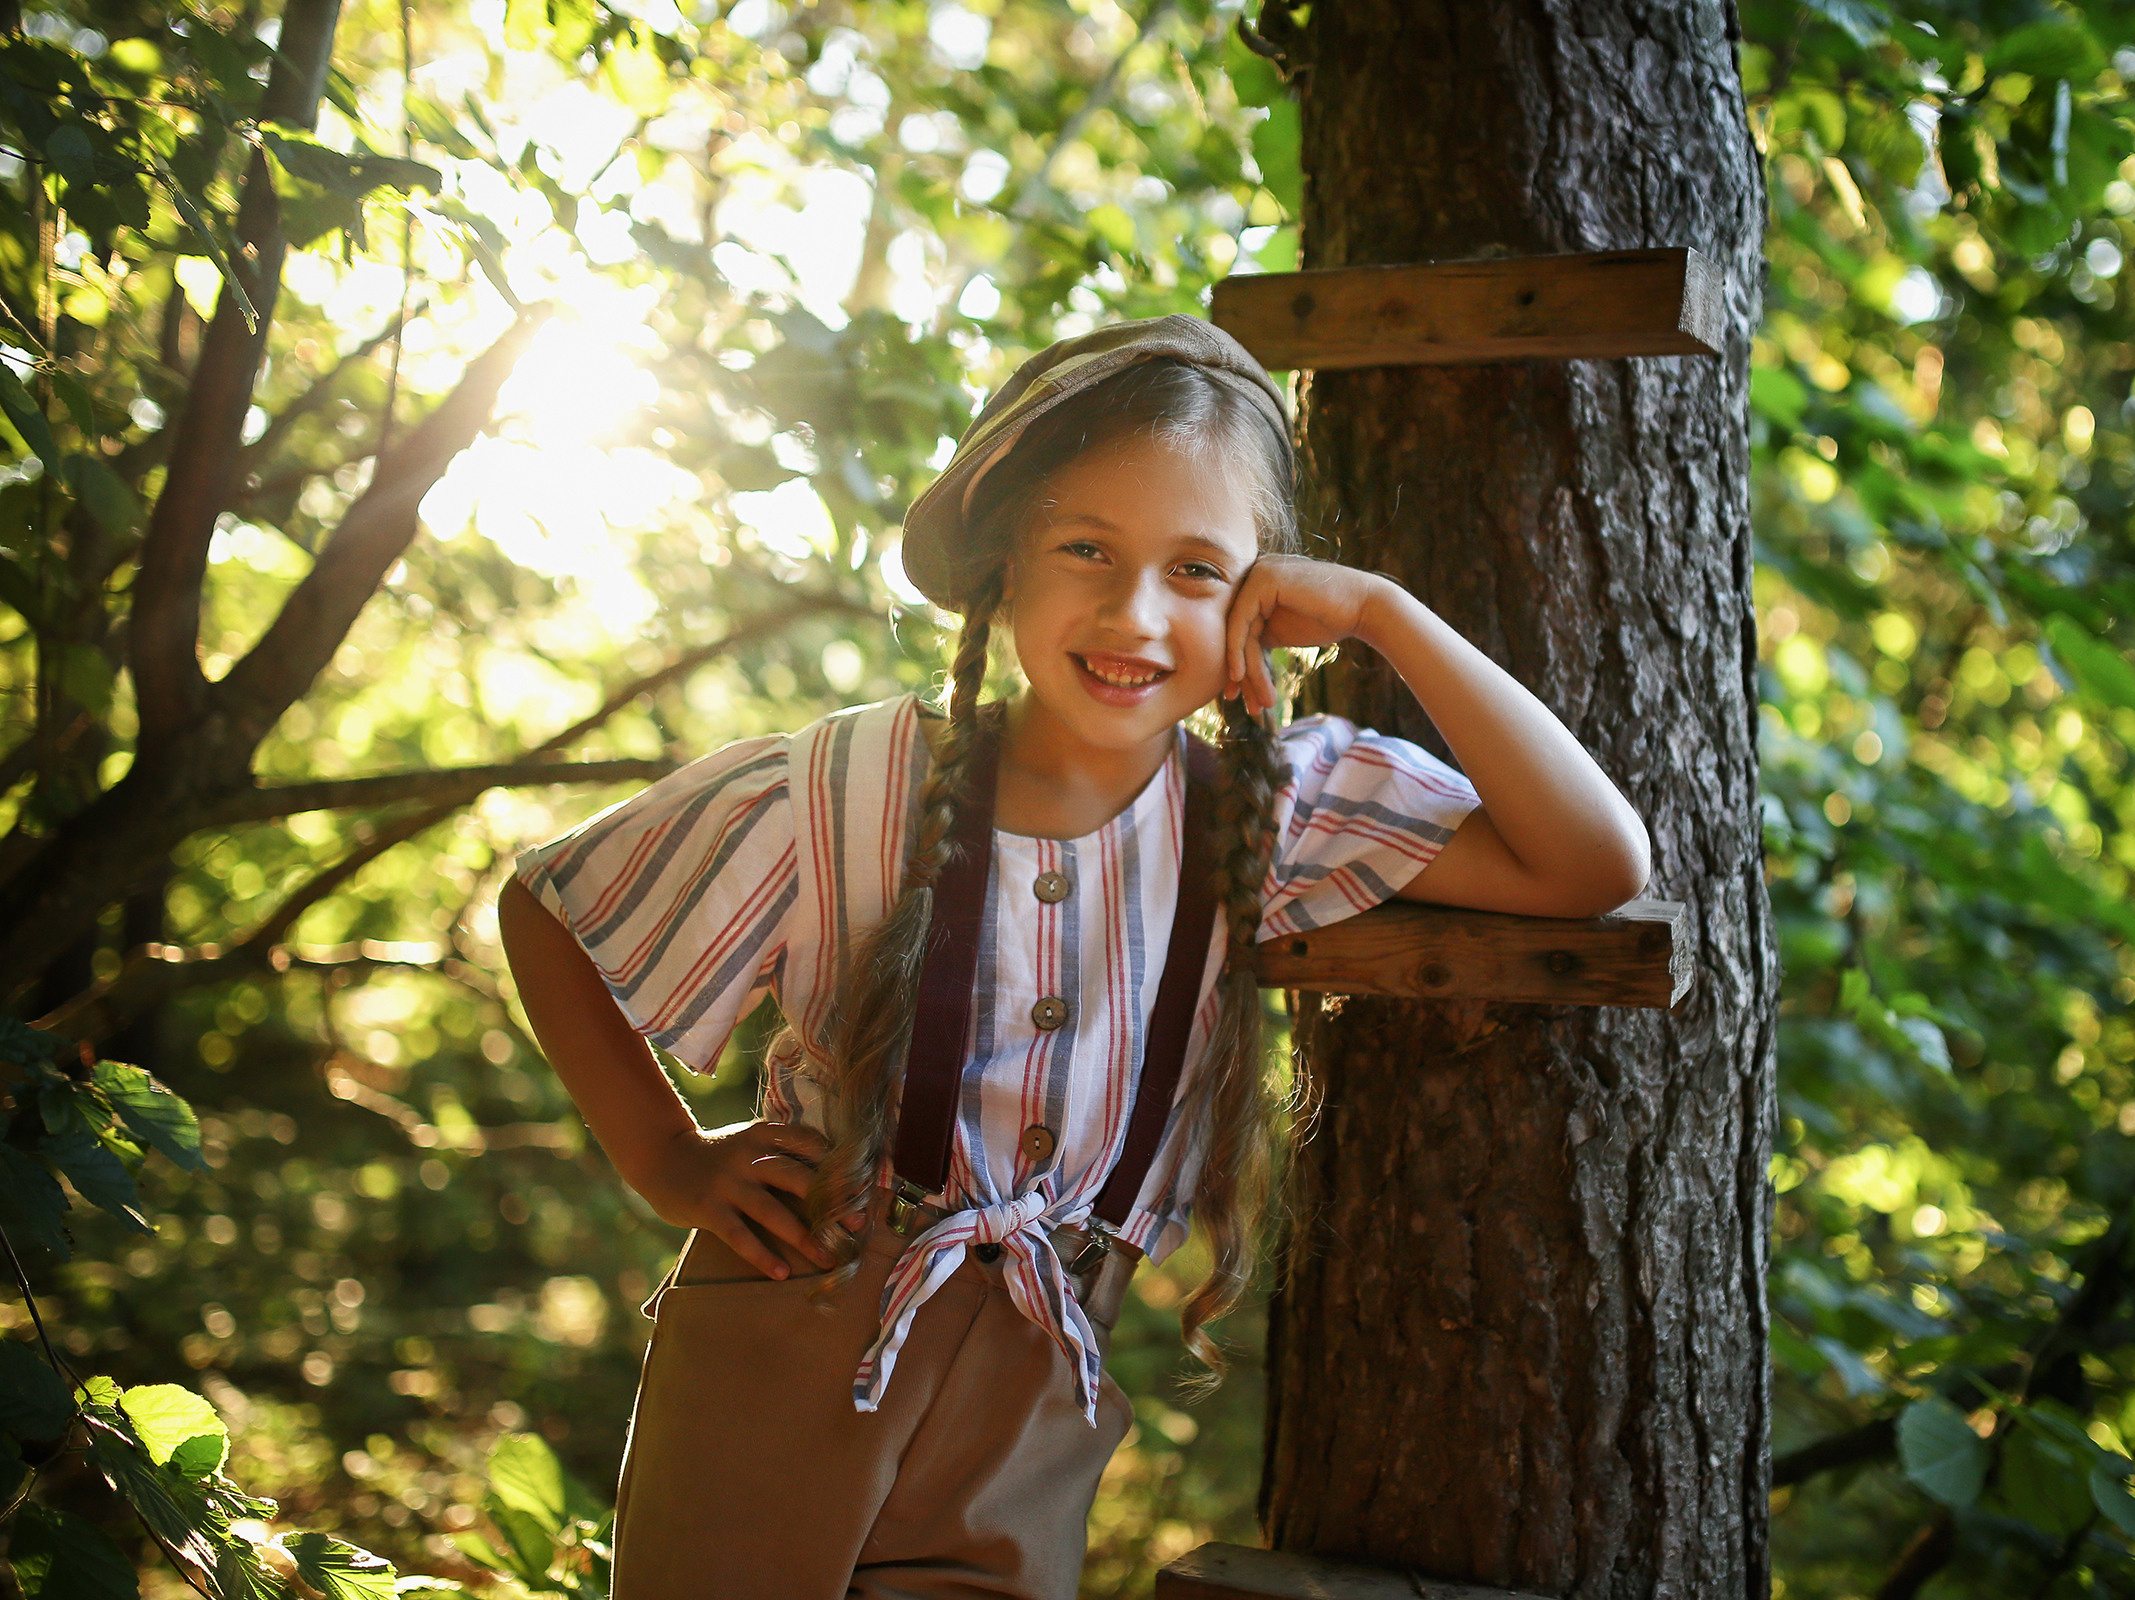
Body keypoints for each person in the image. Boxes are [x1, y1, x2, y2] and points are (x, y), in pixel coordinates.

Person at [495, 314, 1649, 1600]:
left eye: (1199, 570)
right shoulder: (842, 785)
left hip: (1046, 1360)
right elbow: (551, 906)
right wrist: (663, 1155)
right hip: (791, 1313)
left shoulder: (1272, 805)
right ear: (1002, 565)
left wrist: (1386, 614)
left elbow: (1595, 860)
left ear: (1262, 603)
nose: (1133, 610)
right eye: (1085, 546)